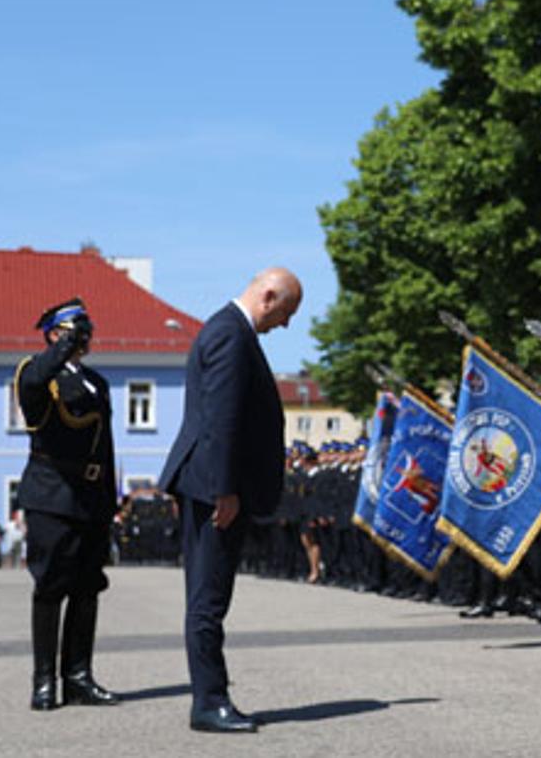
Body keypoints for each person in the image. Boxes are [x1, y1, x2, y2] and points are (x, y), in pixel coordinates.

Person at [161, 267, 301, 735]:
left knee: (207, 596)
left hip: (208, 483)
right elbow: (221, 419)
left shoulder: (226, 329)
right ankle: (209, 702)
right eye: (285, 313)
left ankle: (210, 697)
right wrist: (224, 489)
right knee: (208, 598)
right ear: (268, 295)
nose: (284, 325)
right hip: (213, 488)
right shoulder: (230, 335)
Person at [14, 297, 122, 711]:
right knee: (51, 586)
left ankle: (79, 676)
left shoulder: (97, 381)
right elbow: (38, 379)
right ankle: (44, 681)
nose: (87, 337)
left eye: (87, 329)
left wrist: (109, 500)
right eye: (78, 330)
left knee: (87, 586)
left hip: (91, 497)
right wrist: (61, 346)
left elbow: (105, 448)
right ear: (56, 334)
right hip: (52, 496)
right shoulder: (38, 372)